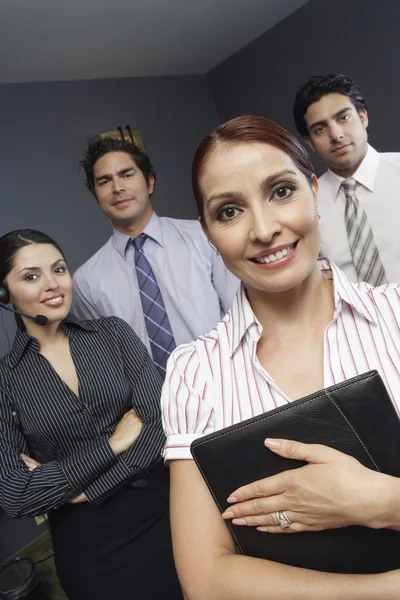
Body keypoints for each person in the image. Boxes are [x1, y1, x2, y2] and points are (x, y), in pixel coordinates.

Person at [160, 115, 400, 599]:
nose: (265, 229)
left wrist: (380, 501)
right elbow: (206, 583)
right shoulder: (195, 374)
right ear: (207, 232)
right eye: (229, 212)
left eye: (282, 191)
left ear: (315, 191)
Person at [0, 229, 183, 600]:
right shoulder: (4, 381)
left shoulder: (113, 334)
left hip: (168, 514)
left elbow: (161, 428)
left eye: (59, 269)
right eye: (31, 276)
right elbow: (17, 494)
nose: (53, 285)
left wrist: (80, 490)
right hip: (91, 551)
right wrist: (114, 444)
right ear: (5, 294)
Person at [73, 137, 239, 378]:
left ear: (150, 181)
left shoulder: (205, 237)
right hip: (151, 407)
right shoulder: (86, 281)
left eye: (127, 174)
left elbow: (239, 313)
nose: (117, 187)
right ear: (96, 196)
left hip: (227, 382)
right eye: (104, 181)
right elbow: (102, 362)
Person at [293, 73, 400, 284]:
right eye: (320, 129)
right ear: (310, 142)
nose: (336, 135)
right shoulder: (306, 205)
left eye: (343, 118)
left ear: (363, 117)